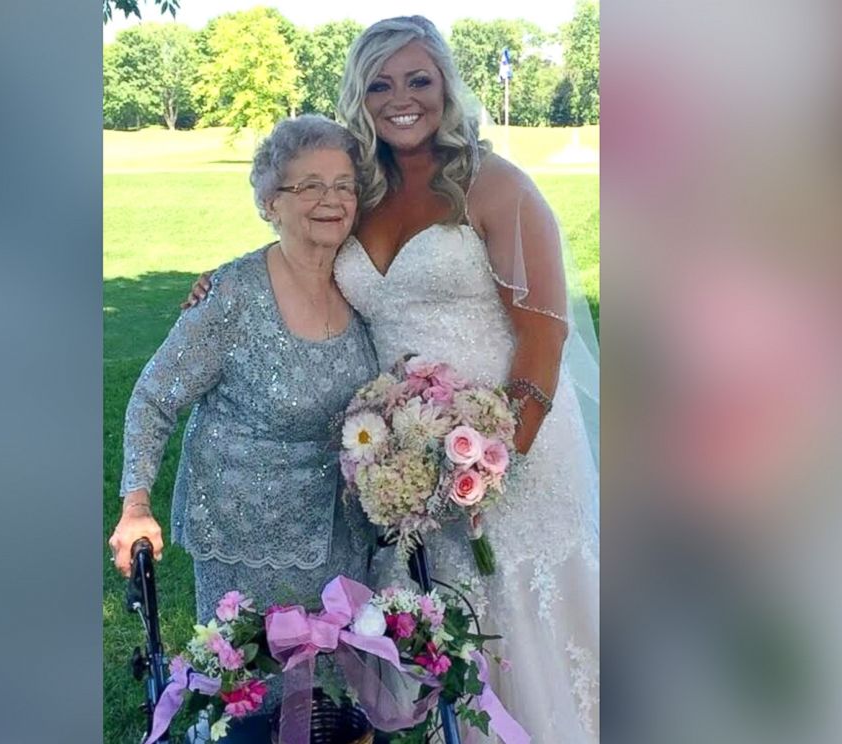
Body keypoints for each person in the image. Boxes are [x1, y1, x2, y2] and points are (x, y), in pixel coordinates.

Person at [183, 17, 600, 743]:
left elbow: (545, 332)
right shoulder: (361, 190)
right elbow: (304, 246)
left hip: (508, 445)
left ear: (446, 86)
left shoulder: (493, 185)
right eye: (380, 84)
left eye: (419, 81)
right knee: (447, 626)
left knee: (521, 621)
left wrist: (493, 459)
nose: (401, 99)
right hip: (405, 455)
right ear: (360, 95)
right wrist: (225, 286)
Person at [108, 114, 378, 628]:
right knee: (255, 695)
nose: (332, 199)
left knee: (335, 696)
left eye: (345, 186)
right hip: (246, 538)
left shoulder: (361, 284)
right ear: (271, 202)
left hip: (342, 535)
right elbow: (153, 397)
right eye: (311, 186)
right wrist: (136, 504)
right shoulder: (230, 295)